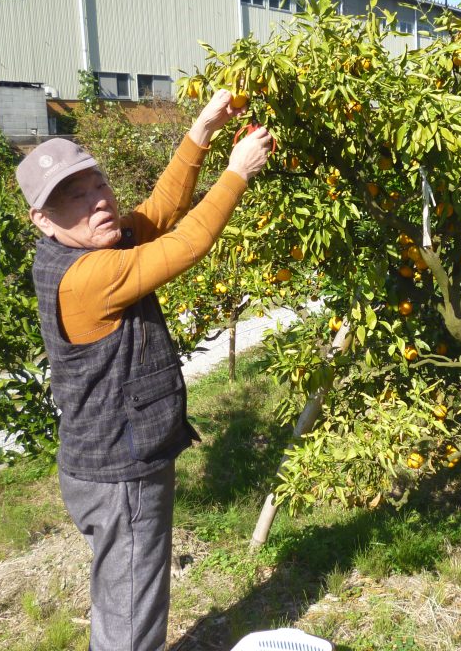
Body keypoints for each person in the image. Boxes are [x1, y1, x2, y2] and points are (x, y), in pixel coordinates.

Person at [15, 89, 271, 651]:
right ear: (42, 220)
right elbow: (184, 244)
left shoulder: (87, 249)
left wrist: (200, 132)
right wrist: (237, 174)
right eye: (73, 199)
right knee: (132, 606)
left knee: (122, 588)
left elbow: (157, 215)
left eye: (97, 185)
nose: (97, 202)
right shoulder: (87, 276)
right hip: (120, 468)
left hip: (101, 458)